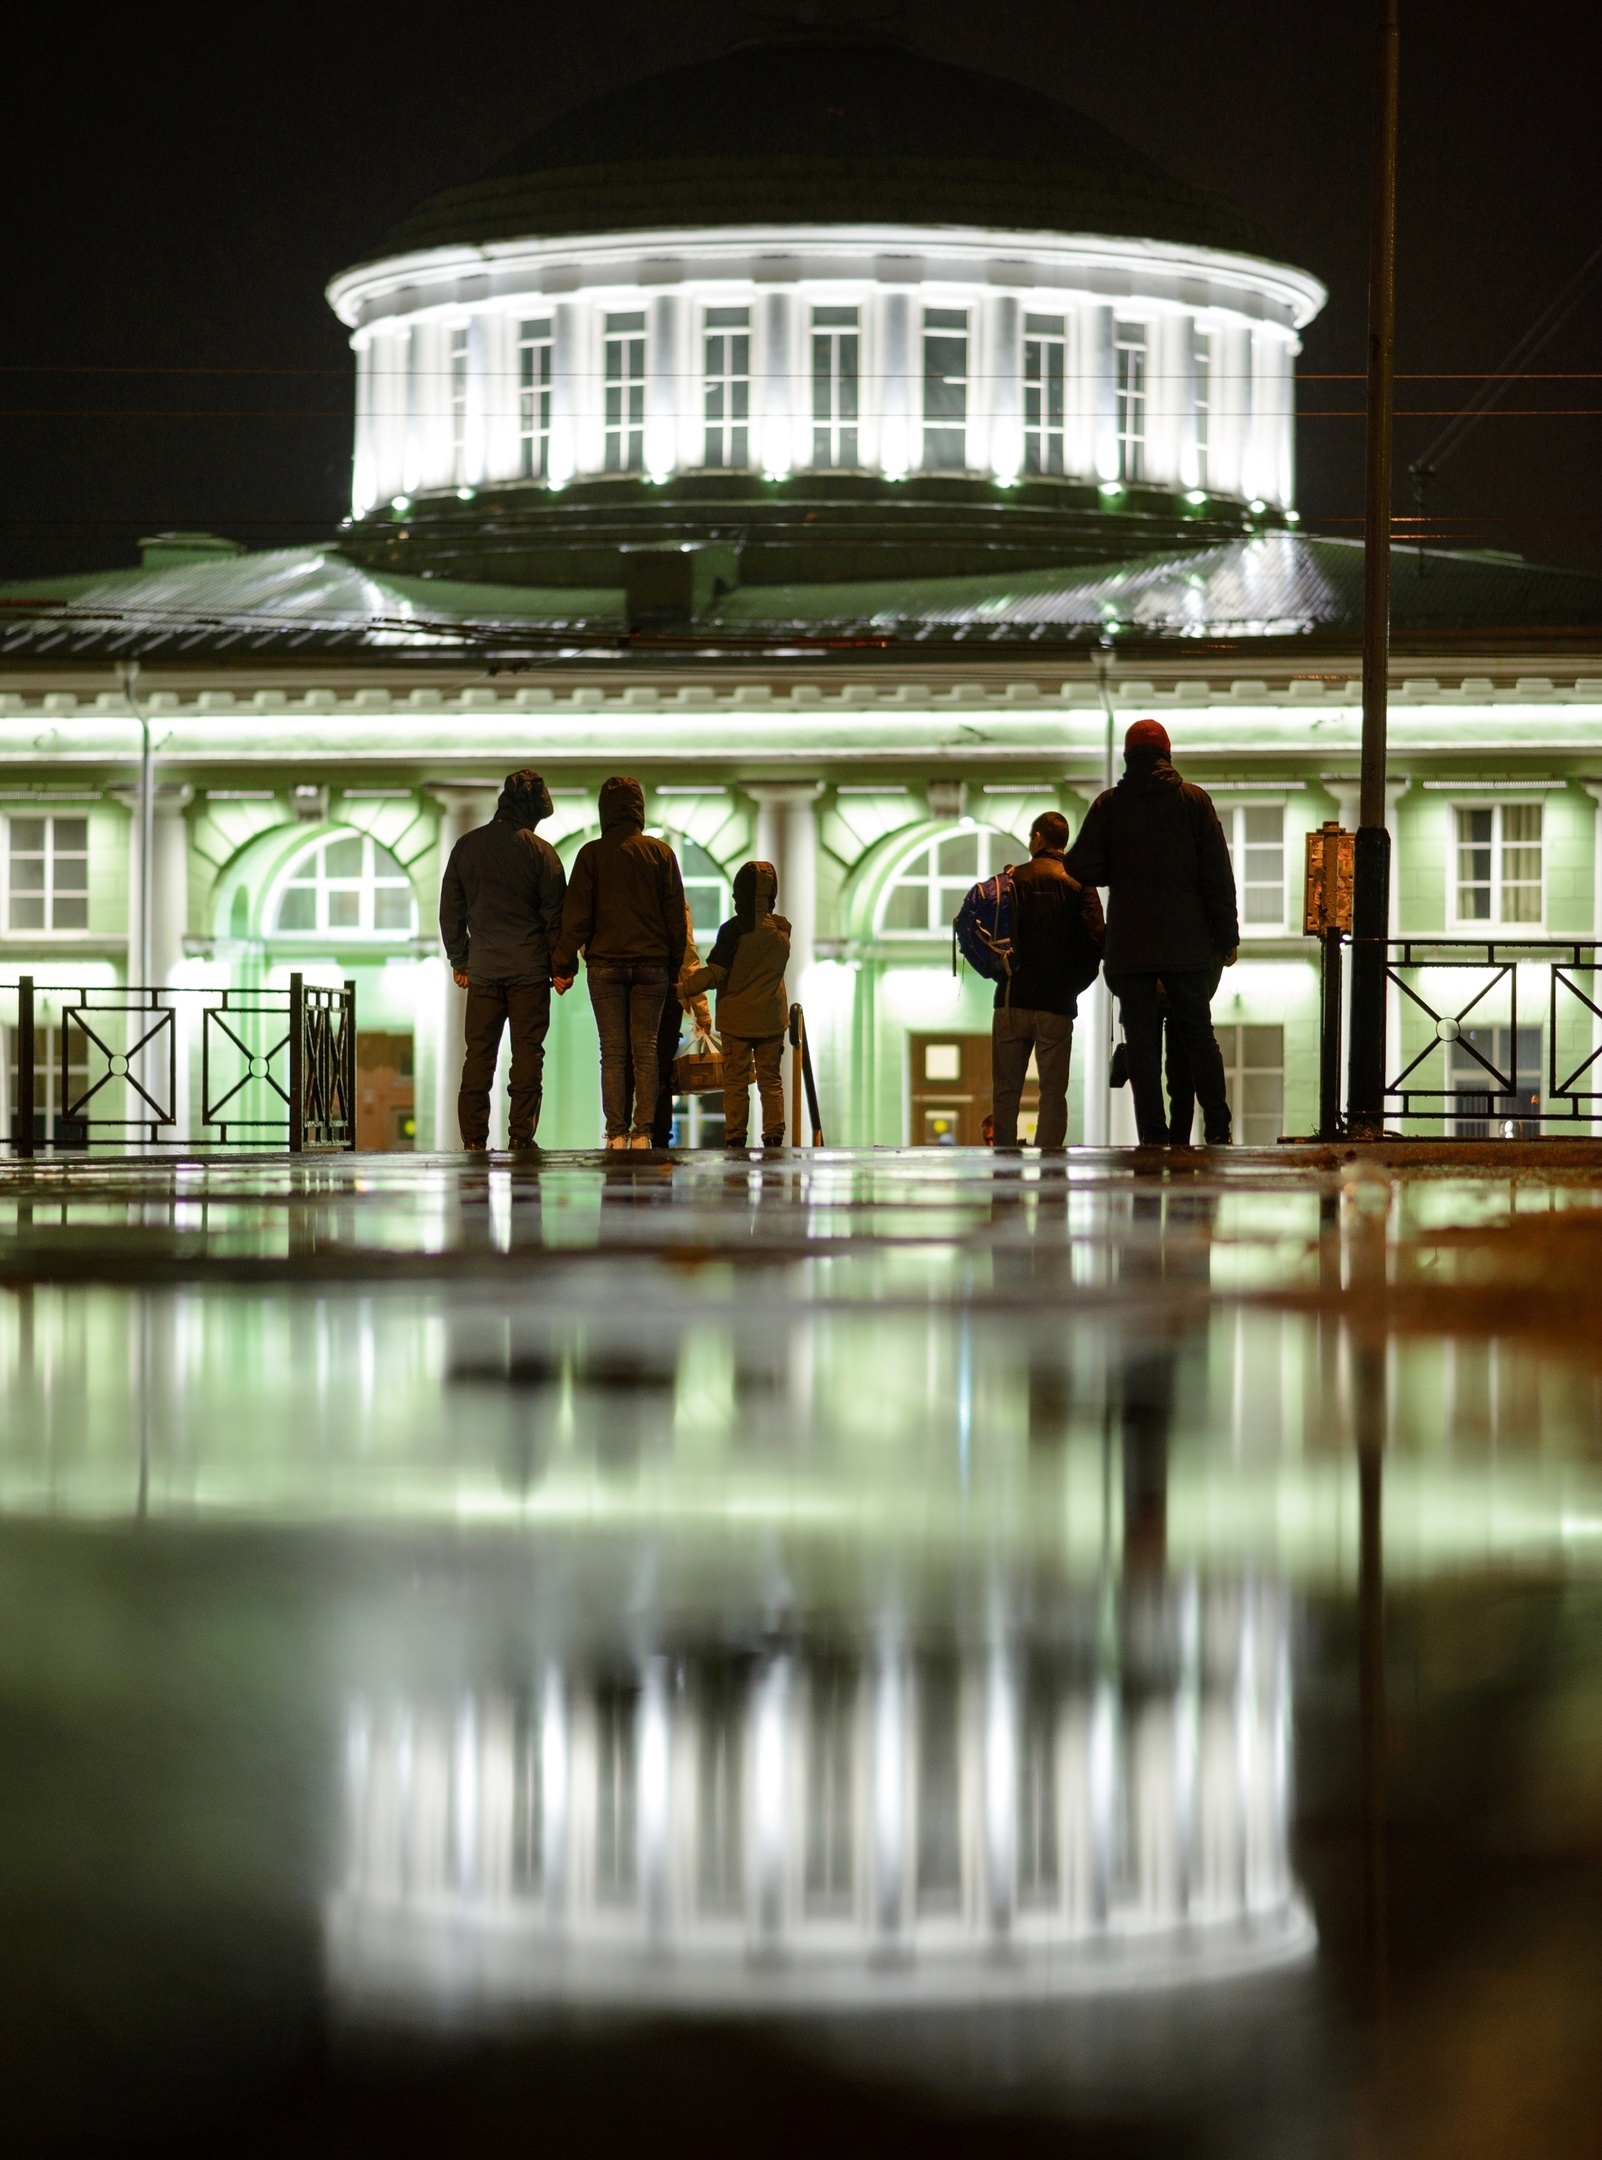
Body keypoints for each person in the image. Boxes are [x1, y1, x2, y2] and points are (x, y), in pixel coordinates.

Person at [1067, 719, 1238, 1146]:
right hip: (1188, 945)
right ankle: (1217, 1127)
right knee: (1199, 1039)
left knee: (1142, 1049)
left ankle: (1153, 1136)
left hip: (1132, 948)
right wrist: (1227, 937)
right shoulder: (1194, 801)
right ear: (1167, 754)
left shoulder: (1110, 805)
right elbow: (1217, 873)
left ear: (1127, 757)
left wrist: (1117, 867)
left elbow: (1079, 865)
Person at [552, 776, 687, 1149]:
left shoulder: (591, 854)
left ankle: (615, 1133)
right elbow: (675, 915)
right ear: (639, 809)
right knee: (646, 1049)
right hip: (651, 966)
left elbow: (576, 915)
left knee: (612, 1051)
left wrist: (562, 964)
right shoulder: (661, 854)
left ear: (604, 811)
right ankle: (644, 1132)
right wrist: (674, 965)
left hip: (606, 965)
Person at [438, 767, 565, 1151]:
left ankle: (474, 1140)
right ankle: (520, 1138)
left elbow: (450, 909)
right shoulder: (541, 852)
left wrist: (461, 960)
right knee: (527, 1057)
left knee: (478, 1056)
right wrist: (561, 967)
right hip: (530, 972)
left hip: (485, 972)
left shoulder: (466, 846)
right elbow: (556, 915)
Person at [991, 810, 1105, 1149]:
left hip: (1013, 999)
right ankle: (1049, 1160)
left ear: (1039, 838)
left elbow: (995, 936)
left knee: (1006, 1092)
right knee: (1053, 1092)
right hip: (1056, 1004)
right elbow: (1096, 939)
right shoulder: (1081, 883)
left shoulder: (1013, 879)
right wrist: (1072, 986)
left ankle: (1005, 1159)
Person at [684, 860, 791, 1151]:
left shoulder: (733, 931)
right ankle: (773, 1136)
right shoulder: (782, 930)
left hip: (737, 1022)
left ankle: (735, 1137)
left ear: (739, 893)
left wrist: (683, 988)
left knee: (736, 1082)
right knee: (771, 1081)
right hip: (771, 1018)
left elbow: (716, 973)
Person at [628, 900, 716, 1147]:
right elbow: (688, 959)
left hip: (628, 992)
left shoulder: (621, 890)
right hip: (667, 994)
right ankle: (657, 1138)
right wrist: (702, 1011)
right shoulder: (675, 901)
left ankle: (621, 1134)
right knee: (661, 1071)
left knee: (624, 1062)